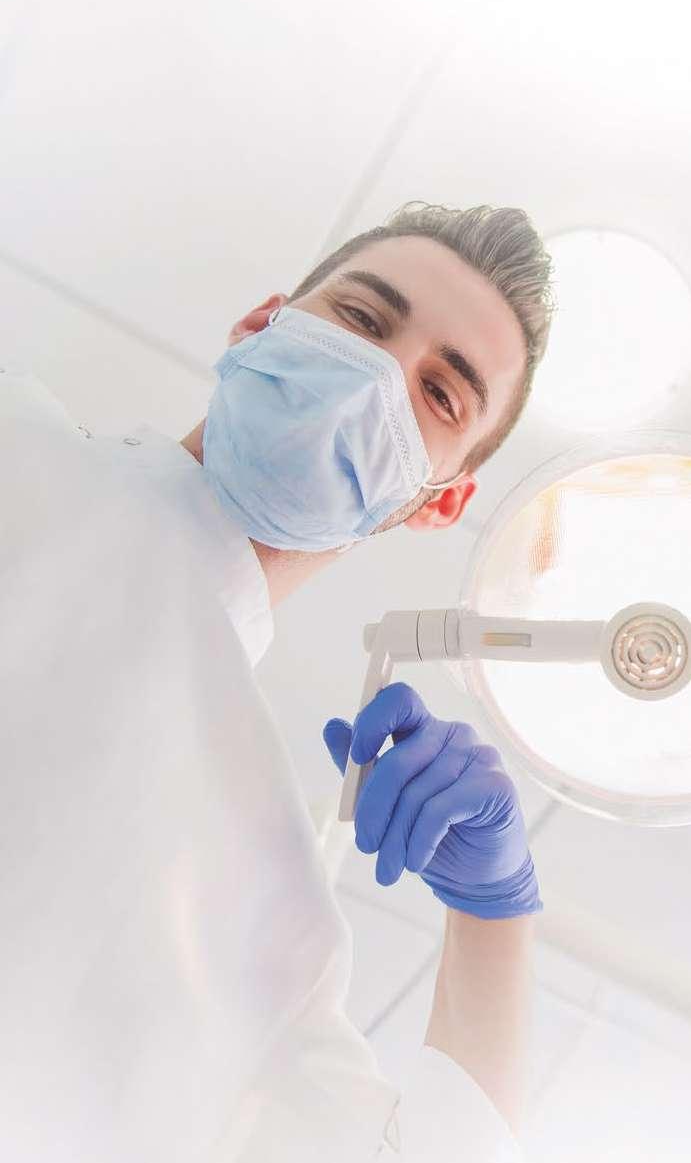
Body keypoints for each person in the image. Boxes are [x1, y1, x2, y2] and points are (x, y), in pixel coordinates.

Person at [0, 202, 555, 1162]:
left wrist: (494, 913)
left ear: (439, 503)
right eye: (363, 320)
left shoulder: (259, 901)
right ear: (262, 326)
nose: (377, 380)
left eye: (438, 394)